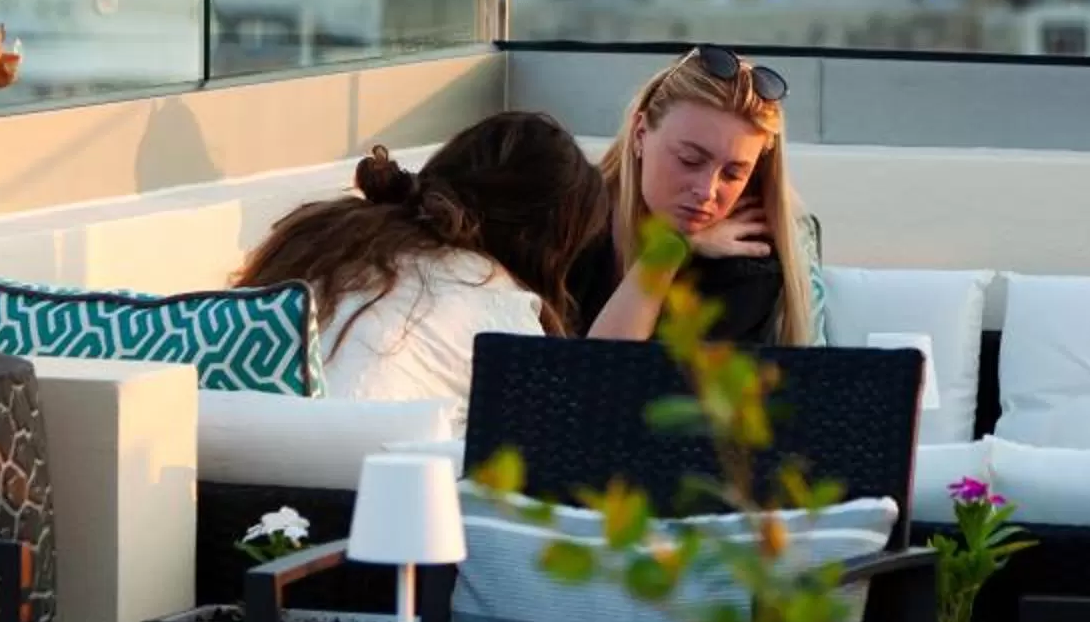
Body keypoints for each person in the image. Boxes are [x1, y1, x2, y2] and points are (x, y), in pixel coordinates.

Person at [237, 111, 608, 427]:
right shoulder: (501, 306)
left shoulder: (330, 234)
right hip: (359, 494)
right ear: (545, 242)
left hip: (217, 473)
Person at [569, 44, 818, 347]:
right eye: (689, 160)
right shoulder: (569, 220)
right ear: (640, 134)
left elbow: (611, 373)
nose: (707, 191)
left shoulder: (751, 261)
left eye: (733, 174)